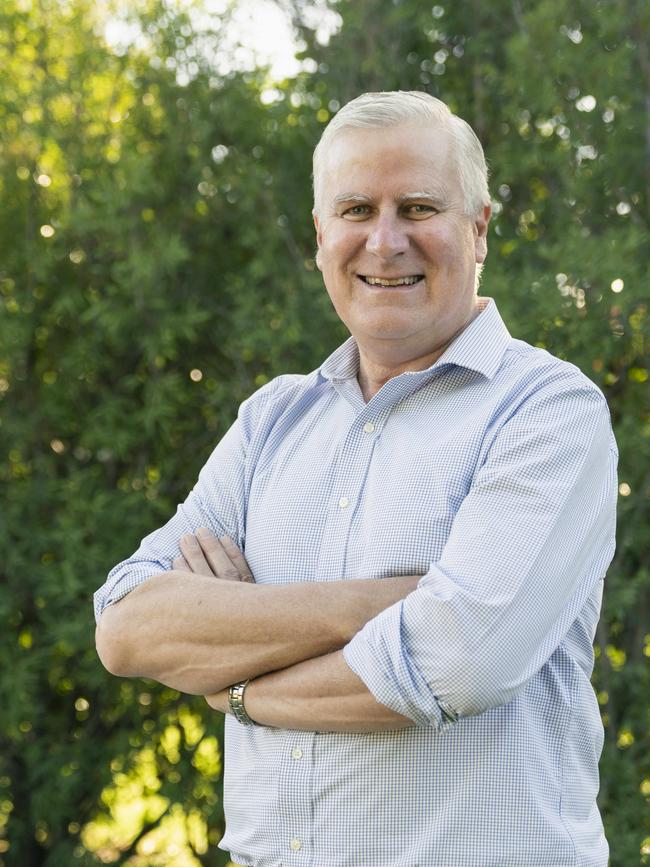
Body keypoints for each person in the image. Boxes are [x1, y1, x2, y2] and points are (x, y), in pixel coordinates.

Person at [94, 91, 618, 867]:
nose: (384, 240)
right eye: (355, 209)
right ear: (319, 236)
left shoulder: (546, 411)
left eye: (417, 207)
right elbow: (127, 625)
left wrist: (238, 686)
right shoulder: (271, 420)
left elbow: (458, 662)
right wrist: (385, 602)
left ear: (478, 229)